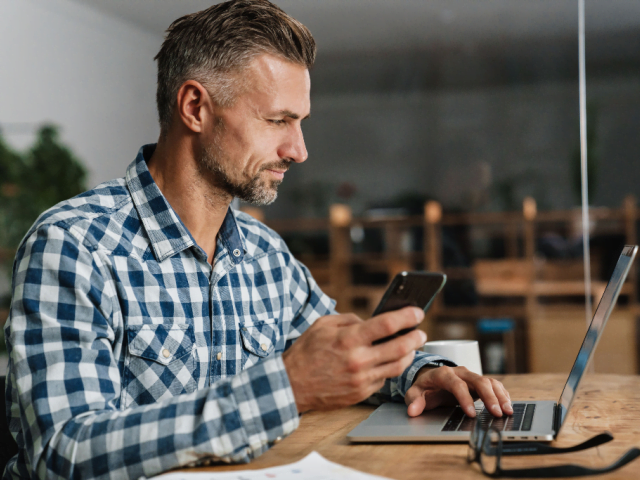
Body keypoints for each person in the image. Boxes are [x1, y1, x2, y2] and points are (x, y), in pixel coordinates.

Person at [4, 1, 512, 478]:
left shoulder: (263, 252)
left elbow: (340, 342)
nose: (299, 150)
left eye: (300, 122)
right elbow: (62, 452)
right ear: (196, 108)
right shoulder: (73, 246)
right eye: (277, 121)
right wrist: (287, 388)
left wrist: (424, 372)